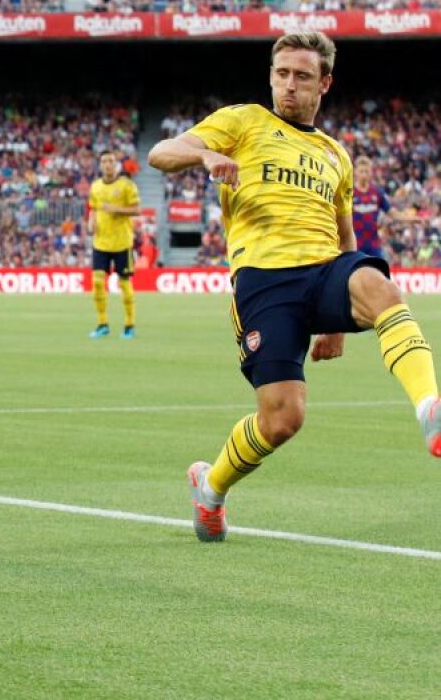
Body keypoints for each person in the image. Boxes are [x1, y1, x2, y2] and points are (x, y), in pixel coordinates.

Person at [148, 31, 439, 543]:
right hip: (264, 282)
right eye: (281, 74)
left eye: (301, 76)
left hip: (325, 269)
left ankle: (429, 408)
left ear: (324, 83)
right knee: (283, 419)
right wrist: (203, 157)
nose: (288, 85)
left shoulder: (335, 155)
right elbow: (161, 152)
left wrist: (341, 325)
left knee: (383, 287)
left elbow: (345, 232)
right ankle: (210, 488)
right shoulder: (243, 122)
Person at [86, 151, 141, 339]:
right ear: (100, 165)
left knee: (124, 284)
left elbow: (137, 209)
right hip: (100, 242)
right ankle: (102, 323)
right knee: (97, 282)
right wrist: (90, 222)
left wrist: (116, 209)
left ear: (116, 164)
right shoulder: (95, 187)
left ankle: (129, 325)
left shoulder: (127, 185)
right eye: (103, 161)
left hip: (122, 243)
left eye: (110, 161)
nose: (107, 164)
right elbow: (93, 209)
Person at [351, 155, 393, 260]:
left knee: (379, 272)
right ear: (355, 172)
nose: (364, 174)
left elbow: (392, 213)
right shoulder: (349, 193)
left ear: (371, 173)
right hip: (355, 244)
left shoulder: (377, 193)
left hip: (373, 245)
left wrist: (413, 219)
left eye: (366, 171)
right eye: (361, 171)